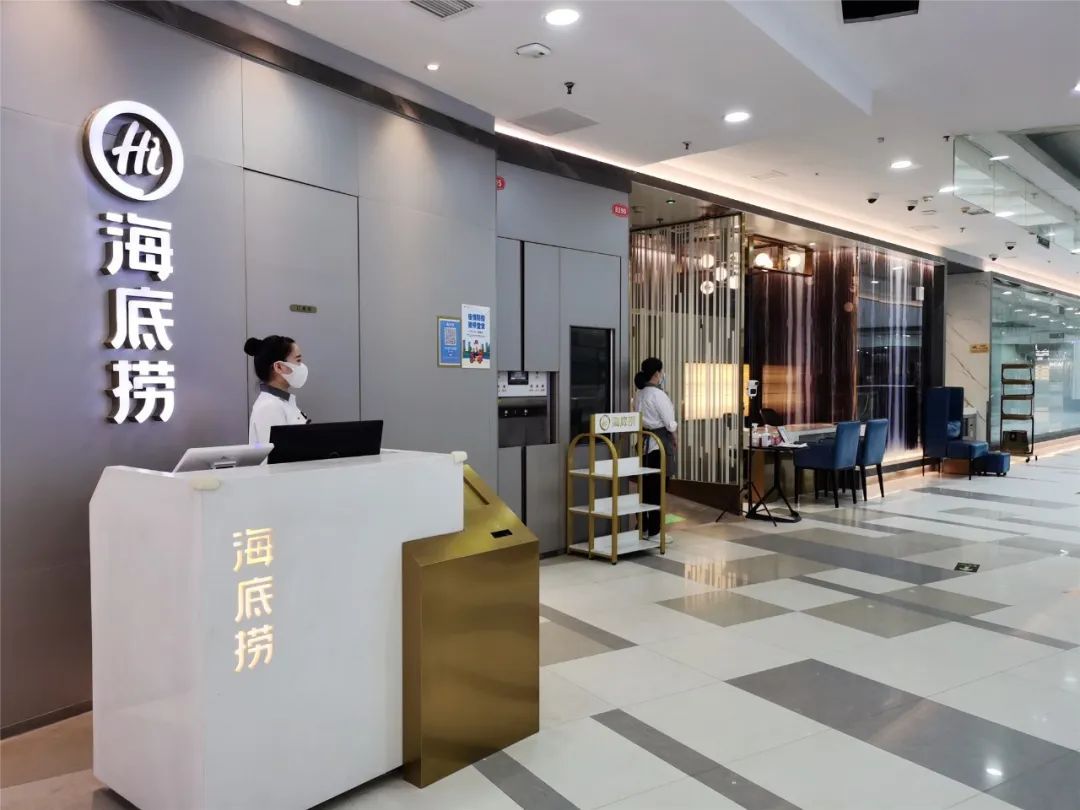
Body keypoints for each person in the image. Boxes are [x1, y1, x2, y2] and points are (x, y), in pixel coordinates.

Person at [634, 357, 677, 538]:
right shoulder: (658, 395)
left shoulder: (639, 394)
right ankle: (655, 530)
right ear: (657, 373)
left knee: (645, 487)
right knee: (658, 488)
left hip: (644, 443)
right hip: (659, 444)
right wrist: (675, 437)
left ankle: (643, 526)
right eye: (661, 371)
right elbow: (669, 422)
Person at [244, 335, 310, 445]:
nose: (301, 366)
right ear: (279, 367)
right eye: (298, 360)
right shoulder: (269, 407)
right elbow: (278, 453)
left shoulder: (281, 402)